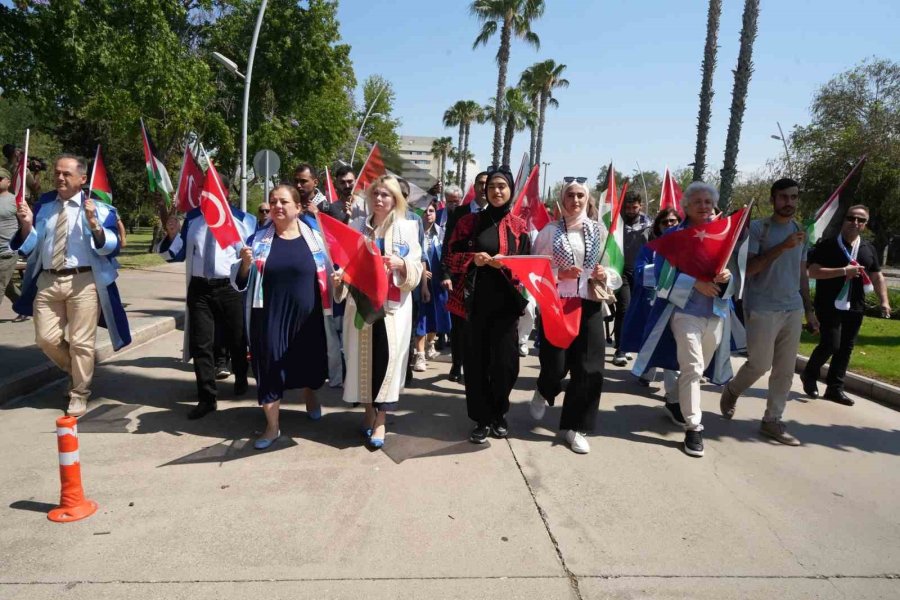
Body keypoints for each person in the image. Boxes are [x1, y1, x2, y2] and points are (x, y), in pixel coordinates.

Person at [11, 154, 130, 416]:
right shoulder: (43, 205)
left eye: (66, 173)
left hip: (84, 281)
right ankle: (75, 371)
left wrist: (95, 226)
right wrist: (27, 226)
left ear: (82, 178)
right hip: (48, 279)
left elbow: (111, 248)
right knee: (45, 338)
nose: (60, 177)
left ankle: (79, 392)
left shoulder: (100, 209)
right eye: (57, 173)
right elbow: (30, 247)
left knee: (81, 342)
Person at [630, 182, 738, 458]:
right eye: (698, 201)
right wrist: (694, 283)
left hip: (715, 313)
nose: (704, 206)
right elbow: (661, 277)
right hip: (683, 312)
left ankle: (674, 401)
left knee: (698, 369)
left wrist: (727, 277)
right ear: (686, 206)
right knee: (692, 366)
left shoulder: (725, 233)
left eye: (708, 201)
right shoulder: (674, 236)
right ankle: (694, 427)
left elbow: (737, 273)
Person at [718, 179, 816, 444]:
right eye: (783, 197)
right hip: (762, 307)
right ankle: (733, 390)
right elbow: (749, 269)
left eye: (794, 197)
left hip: (792, 308)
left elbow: (802, 273)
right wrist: (783, 246)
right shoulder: (759, 229)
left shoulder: (800, 230)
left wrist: (809, 310)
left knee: (785, 370)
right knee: (759, 364)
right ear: (773, 199)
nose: (789, 202)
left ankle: (772, 420)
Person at [233, 185, 329, 449]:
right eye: (273, 201)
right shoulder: (257, 239)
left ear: (298, 207)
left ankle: (310, 395)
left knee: (310, 364)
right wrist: (244, 264)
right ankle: (272, 426)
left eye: (283, 202)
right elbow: (239, 280)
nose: (277, 206)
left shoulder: (315, 238)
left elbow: (330, 272)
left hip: (308, 318)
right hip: (269, 316)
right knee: (268, 367)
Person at [333, 175, 422, 449]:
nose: (379, 199)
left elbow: (417, 266)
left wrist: (401, 263)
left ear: (395, 199)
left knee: (388, 361)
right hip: (362, 304)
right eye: (376, 194)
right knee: (363, 360)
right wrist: (340, 276)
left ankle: (381, 420)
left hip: (393, 307)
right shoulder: (357, 227)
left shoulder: (408, 227)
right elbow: (346, 262)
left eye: (385, 194)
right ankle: (368, 412)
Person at [445, 166, 531, 443]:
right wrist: (474, 259)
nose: (496, 191)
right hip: (475, 304)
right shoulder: (468, 222)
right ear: (485, 190)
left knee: (506, 365)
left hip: (507, 305)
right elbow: (450, 257)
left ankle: (499, 413)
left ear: (510, 191)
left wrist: (507, 264)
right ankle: (481, 419)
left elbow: (528, 267)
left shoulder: (519, 227)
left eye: (502, 186)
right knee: (476, 363)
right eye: (492, 186)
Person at [529, 179, 612, 454]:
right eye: (570, 195)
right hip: (558, 303)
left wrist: (604, 274)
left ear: (587, 199)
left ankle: (574, 427)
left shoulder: (599, 231)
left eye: (580, 196)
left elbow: (614, 268)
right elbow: (535, 268)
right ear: (562, 199)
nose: (575, 200)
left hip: (589, 302)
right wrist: (559, 274)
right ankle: (544, 388)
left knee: (589, 369)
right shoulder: (550, 231)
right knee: (555, 364)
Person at [159, 186, 256, 419]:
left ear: (226, 193)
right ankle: (207, 397)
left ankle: (241, 376)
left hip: (230, 287)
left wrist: (247, 260)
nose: (205, 195)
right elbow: (176, 254)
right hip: (200, 289)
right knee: (202, 343)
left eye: (212, 190)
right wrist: (172, 234)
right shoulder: (193, 219)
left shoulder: (244, 220)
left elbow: (253, 254)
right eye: (204, 191)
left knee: (237, 338)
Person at [801, 205, 892, 405]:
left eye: (861, 220)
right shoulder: (828, 245)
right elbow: (813, 272)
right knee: (831, 344)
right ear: (844, 220)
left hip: (856, 305)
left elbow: (877, 276)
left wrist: (884, 301)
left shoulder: (868, 249)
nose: (855, 223)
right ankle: (810, 374)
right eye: (851, 218)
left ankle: (835, 388)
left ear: (865, 224)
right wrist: (843, 271)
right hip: (828, 304)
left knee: (845, 348)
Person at [620, 208, 681, 386]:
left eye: (673, 221)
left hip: (680, 303)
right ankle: (647, 372)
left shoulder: (687, 248)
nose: (669, 224)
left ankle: (673, 392)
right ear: (658, 226)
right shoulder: (650, 249)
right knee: (652, 338)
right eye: (665, 222)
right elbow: (640, 271)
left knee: (673, 344)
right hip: (654, 303)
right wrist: (664, 272)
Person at [441, 170, 489, 383]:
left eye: (487, 184)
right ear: (474, 186)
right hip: (460, 275)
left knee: (481, 324)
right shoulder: (459, 213)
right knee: (459, 324)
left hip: (486, 278)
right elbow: (448, 245)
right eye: (480, 183)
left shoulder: (496, 214)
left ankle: (476, 365)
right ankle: (457, 363)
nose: (484, 188)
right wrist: (446, 273)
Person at [612, 190, 653, 366]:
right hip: (621, 271)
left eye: (634, 207)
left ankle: (631, 344)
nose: (630, 211)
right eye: (627, 207)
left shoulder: (649, 224)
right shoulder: (616, 222)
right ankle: (620, 349)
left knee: (640, 310)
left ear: (640, 206)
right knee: (624, 308)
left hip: (642, 272)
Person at [413, 201, 451, 371]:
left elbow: (447, 257)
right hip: (421, 282)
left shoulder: (442, 233)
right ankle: (420, 355)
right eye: (425, 211)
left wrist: (446, 276)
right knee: (422, 317)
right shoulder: (414, 232)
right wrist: (421, 271)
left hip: (438, 281)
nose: (428, 214)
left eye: (431, 211)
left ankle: (430, 345)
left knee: (438, 316)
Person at [0, 167, 24, 311]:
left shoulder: (16, 201)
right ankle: (25, 307)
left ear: (8, 182)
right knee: (7, 286)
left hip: (6, 252)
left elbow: (26, 224)